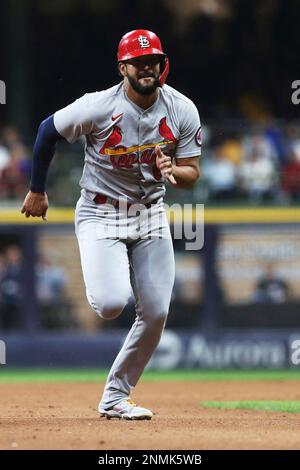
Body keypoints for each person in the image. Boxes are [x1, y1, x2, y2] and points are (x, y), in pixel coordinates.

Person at [21, 29, 201, 420]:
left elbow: (193, 173)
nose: (146, 67)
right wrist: (37, 189)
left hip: (150, 212)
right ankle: (106, 277)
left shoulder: (182, 108)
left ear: (162, 63)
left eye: (152, 59)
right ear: (123, 68)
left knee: (155, 311)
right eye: (137, 62)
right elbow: (46, 131)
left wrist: (175, 171)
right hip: (100, 212)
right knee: (109, 304)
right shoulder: (98, 106)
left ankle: (116, 396)